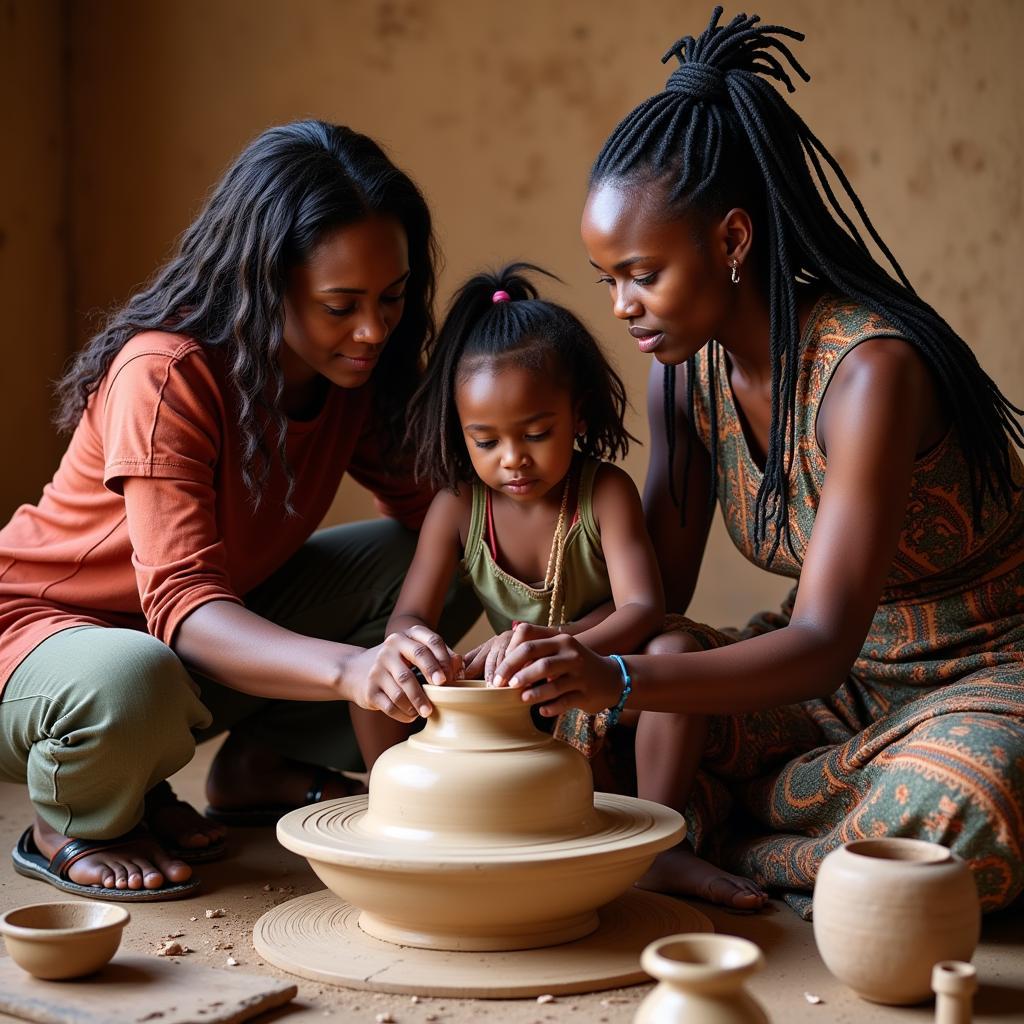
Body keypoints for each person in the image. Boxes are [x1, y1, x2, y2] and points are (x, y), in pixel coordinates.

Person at [493, 7, 1024, 916]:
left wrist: (617, 676)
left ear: (732, 242)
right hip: (838, 701)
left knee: (964, 808)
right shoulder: (684, 374)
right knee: (584, 720)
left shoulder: (869, 372)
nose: (622, 306)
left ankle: (733, 839)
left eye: (642, 273)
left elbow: (818, 646)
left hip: (981, 675)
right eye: (607, 279)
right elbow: (652, 601)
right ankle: (768, 838)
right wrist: (542, 656)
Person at [0, 120, 476, 900]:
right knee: (132, 677)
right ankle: (75, 816)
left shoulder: (357, 370)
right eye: (339, 305)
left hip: (174, 653)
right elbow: (182, 607)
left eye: (391, 299)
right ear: (264, 284)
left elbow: (444, 513)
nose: (372, 331)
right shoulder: (166, 371)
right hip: (37, 648)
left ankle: (263, 764)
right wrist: (355, 669)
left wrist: (563, 628)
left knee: (440, 561)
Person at [386, 264, 664, 718]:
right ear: (461, 434)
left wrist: (557, 646)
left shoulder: (604, 493)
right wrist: (425, 649)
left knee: (668, 653)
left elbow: (642, 608)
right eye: (487, 442)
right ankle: (384, 791)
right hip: (520, 681)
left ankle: (656, 795)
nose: (512, 458)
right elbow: (408, 616)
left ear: (577, 415)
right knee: (382, 678)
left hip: (602, 670)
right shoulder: (457, 508)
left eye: (535, 434)